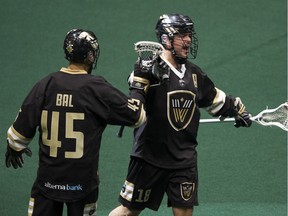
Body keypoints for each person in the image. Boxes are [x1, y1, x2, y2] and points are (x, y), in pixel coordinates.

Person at [108, 14, 252, 216]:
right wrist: (141, 76)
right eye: (182, 35)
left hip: (183, 161)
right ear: (166, 39)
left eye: (189, 35)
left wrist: (236, 108)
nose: (188, 40)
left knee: (184, 212)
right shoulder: (149, 69)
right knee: (128, 211)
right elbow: (133, 90)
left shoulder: (194, 74)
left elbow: (214, 98)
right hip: (149, 158)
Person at [5, 29, 149, 216]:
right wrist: (138, 85)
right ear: (91, 56)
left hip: (48, 181)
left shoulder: (46, 84)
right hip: (82, 185)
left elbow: (17, 135)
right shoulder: (97, 88)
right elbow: (138, 116)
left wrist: (14, 148)